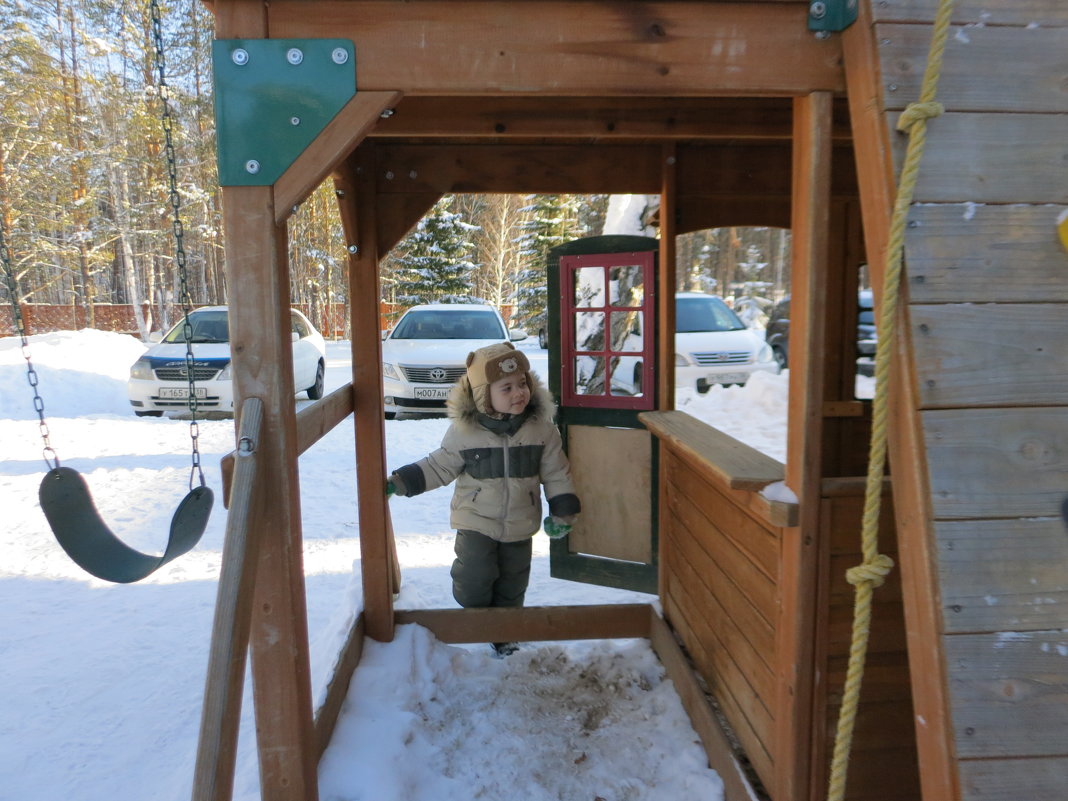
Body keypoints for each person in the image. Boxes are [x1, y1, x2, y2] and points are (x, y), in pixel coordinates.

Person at [387, 342, 580, 657]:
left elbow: (557, 473)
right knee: (474, 578)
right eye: (506, 388)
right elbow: (439, 465)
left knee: (513, 584)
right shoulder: (466, 432)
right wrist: (401, 482)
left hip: (521, 520)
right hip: (476, 520)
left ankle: (505, 635)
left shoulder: (541, 430)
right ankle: (478, 616)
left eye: (522, 384)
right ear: (482, 396)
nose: (519, 393)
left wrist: (563, 511)